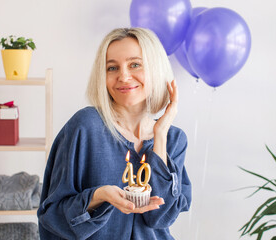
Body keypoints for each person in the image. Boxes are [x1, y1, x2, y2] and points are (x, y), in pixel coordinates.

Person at [37, 27, 192, 240]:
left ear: (156, 69)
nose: (124, 76)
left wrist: (160, 134)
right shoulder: (86, 127)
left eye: (135, 64)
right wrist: (98, 196)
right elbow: (52, 215)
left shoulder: (173, 139)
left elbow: (161, 218)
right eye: (112, 68)